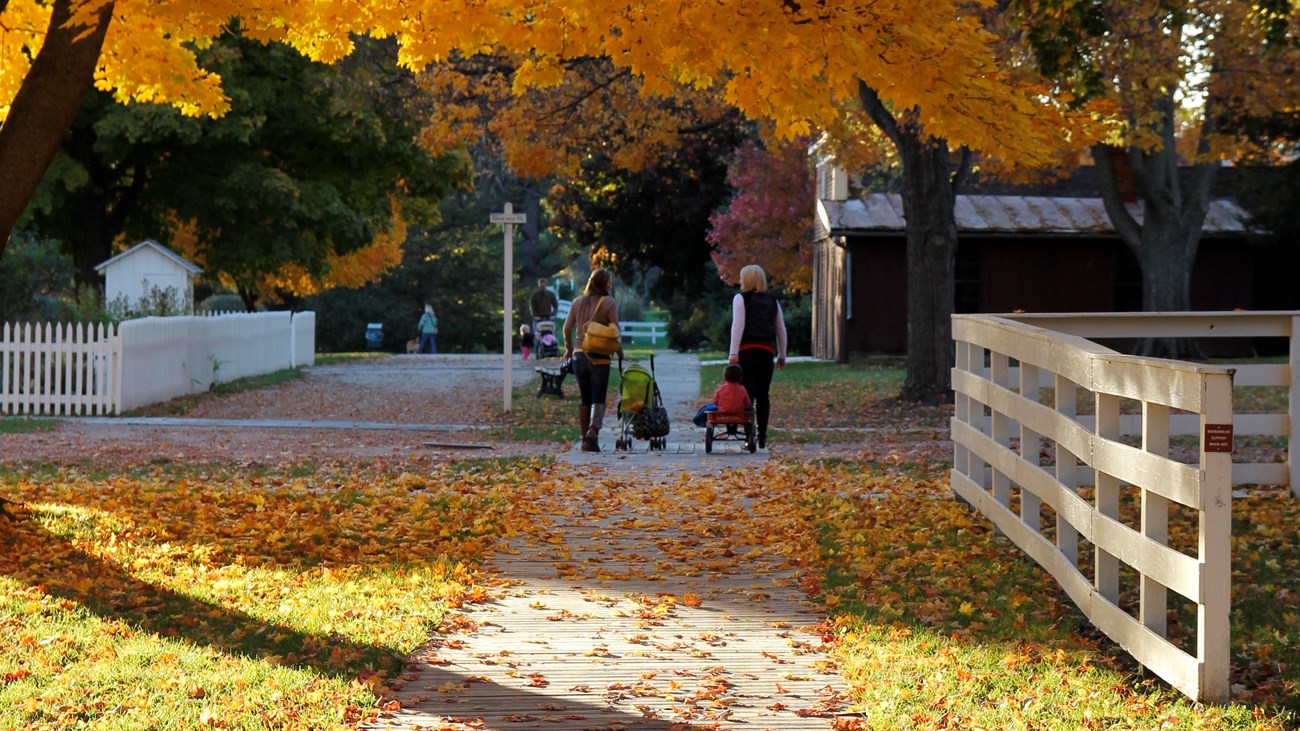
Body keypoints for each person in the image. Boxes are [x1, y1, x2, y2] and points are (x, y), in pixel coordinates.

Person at [728, 264, 787, 449]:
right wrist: (782, 354)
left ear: (745, 279)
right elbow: (781, 329)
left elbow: (738, 325)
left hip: (746, 351)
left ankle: (749, 436)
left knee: (747, 395)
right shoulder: (773, 301)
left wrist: (733, 352)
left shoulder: (741, 299)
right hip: (766, 352)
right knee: (763, 395)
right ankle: (762, 436)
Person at [563, 268, 620, 452]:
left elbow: (566, 328)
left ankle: (584, 439)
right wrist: (620, 353)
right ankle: (592, 433)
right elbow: (615, 332)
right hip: (600, 357)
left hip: (579, 356)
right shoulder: (609, 303)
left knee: (585, 398)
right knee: (598, 398)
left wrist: (569, 349)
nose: (610, 285)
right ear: (602, 284)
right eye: (608, 282)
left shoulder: (577, 302)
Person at [694, 363, 751, 427]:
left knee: (708, 407)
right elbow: (747, 403)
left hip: (722, 413)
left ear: (724, 377)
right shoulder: (742, 389)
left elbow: (715, 402)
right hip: (739, 413)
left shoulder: (721, 388)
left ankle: (703, 422)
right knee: (750, 409)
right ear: (740, 378)